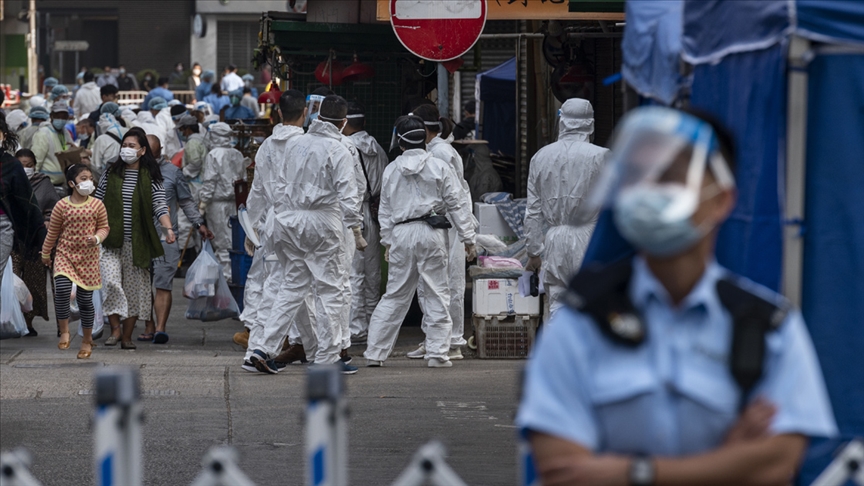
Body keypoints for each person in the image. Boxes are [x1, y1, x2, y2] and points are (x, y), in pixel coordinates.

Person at [516, 107, 837, 486]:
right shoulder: (581, 322)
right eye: (638, 176)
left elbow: (778, 462)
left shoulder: (767, 327)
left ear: (721, 198)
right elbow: (562, 469)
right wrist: (727, 463)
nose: (652, 191)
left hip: (559, 239)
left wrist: (631, 471)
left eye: (671, 177)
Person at [246, 95, 365, 375]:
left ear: (317, 116)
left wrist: (261, 224)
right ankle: (327, 357)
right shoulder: (339, 149)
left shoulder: (295, 144)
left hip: (288, 221)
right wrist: (356, 230)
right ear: (343, 123)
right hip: (323, 222)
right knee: (330, 291)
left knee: (291, 287)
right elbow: (349, 196)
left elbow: (273, 186)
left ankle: (263, 348)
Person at [363, 116, 476, 368]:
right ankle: (437, 353)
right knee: (437, 293)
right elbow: (456, 204)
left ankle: (375, 353)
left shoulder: (391, 170)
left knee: (394, 295)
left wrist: (387, 242)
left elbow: (385, 211)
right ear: (424, 139)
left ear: (401, 143)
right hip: (431, 232)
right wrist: (468, 238)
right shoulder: (438, 166)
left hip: (401, 233)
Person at [240, 89, 307, 371]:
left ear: (279, 113)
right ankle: (266, 348)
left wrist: (251, 227)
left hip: (272, 222)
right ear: (306, 113)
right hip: (302, 223)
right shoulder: (307, 144)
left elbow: (257, 191)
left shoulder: (267, 146)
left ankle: (293, 345)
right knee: (301, 286)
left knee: (277, 286)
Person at [524, 98, 609, 315]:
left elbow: (532, 211)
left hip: (555, 241)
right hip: (589, 240)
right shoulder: (602, 156)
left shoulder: (540, 157)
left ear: (561, 121)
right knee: (591, 304)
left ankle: (558, 338)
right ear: (590, 124)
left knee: (557, 303)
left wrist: (533, 252)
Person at [94, 127, 175, 349]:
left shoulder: (151, 177)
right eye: (124, 145)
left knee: (133, 291)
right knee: (110, 283)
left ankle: (127, 336)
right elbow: (97, 202)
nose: (126, 150)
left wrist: (168, 230)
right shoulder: (111, 173)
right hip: (110, 242)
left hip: (137, 244)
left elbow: (160, 206)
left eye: (132, 146)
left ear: (142, 151)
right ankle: (115, 329)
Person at [409, 103, 475, 359]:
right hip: (437, 223)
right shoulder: (432, 151)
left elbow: (455, 196)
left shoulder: (441, 153)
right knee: (430, 284)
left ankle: (453, 341)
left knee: (449, 282)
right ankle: (434, 338)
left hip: (448, 224)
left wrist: (466, 233)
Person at [140, 134, 212, 344]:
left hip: (166, 233)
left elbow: (186, 201)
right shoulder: (132, 171)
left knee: (163, 282)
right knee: (143, 284)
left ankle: (160, 328)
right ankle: (149, 324)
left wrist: (199, 224)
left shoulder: (173, 172)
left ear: (160, 152)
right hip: (139, 235)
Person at [41, 164, 109, 359]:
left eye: (90, 178)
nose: (88, 182)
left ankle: (87, 340)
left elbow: (104, 227)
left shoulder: (97, 205)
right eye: (83, 179)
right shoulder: (62, 206)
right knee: (62, 290)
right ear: (72, 183)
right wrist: (46, 253)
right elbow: (53, 232)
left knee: (85, 301)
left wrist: (96, 238)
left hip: (88, 260)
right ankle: (64, 331)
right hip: (65, 255)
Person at [342, 102, 388, 343]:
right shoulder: (378, 148)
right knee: (373, 273)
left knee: (354, 274)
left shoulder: (345, 148)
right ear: (364, 123)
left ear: (344, 123)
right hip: (373, 213)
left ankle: (356, 328)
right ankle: (373, 324)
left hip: (353, 215)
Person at [12, 149, 60, 336]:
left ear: (35, 165)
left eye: (29, 165)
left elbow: (54, 207)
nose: (25, 169)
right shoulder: (7, 181)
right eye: (21, 165)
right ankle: (10, 319)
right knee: (11, 280)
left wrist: (47, 219)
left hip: (35, 241)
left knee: (33, 282)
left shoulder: (43, 183)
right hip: (12, 239)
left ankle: (28, 322)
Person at [0, 114, 47, 291]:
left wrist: (41, 237)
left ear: (4, 136)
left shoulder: (11, 165)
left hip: (2, 228)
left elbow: (27, 202)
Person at [198, 122, 246, 276]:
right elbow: (243, 179)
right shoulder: (237, 153)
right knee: (233, 239)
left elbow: (210, 181)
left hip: (217, 204)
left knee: (221, 242)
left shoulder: (214, 154)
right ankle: (234, 274)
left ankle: (226, 277)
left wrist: (203, 204)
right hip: (235, 203)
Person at [31, 101, 74, 188]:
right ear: (51, 116)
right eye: (58, 116)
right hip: (46, 183)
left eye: (64, 117)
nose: (61, 119)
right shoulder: (43, 133)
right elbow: (37, 159)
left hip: (62, 182)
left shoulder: (65, 133)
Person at [90, 104, 127, 179]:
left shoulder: (101, 139)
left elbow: (96, 166)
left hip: (109, 177)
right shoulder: (128, 131)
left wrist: (103, 180)